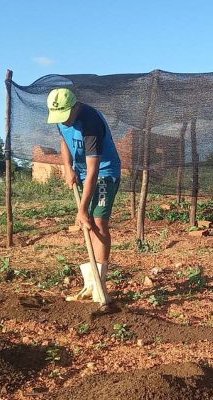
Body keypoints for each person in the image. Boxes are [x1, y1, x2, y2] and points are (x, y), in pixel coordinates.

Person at [46, 88, 122, 302]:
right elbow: (64, 141)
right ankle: (91, 283)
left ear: (75, 107)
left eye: (66, 116)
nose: (64, 122)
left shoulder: (91, 124)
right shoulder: (63, 120)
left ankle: (100, 285)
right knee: (88, 224)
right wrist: (68, 167)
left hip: (105, 172)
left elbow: (94, 171)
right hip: (81, 172)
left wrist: (81, 210)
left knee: (98, 222)